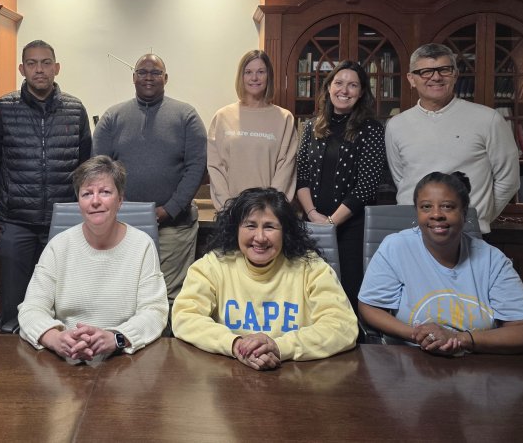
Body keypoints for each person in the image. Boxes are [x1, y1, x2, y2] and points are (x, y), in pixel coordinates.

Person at [172, 187, 358, 370]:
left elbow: (343, 326)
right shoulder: (212, 265)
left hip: (296, 377)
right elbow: (184, 316)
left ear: (285, 232)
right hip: (228, 377)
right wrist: (235, 344)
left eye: (269, 227)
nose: (260, 237)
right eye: (250, 225)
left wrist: (279, 347)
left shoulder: (311, 268)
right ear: (236, 229)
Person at [358, 171, 523, 355]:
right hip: (413, 361)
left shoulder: (492, 260)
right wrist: (420, 335)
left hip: (479, 366)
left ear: (464, 213)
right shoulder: (396, 247)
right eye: (426, 207)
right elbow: (370, 306)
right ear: (417, 212)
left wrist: (461, 339)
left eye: (447, 207)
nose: (436, 214)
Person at [0, 39, 92, 324]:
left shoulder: (75, 110)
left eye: (45, 63)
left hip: (63, 222)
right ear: (22, 69)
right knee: (13, 305)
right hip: (16, 222)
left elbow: (86, 168)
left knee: (62, 301)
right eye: (31, 63)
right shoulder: (4, 108)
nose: (39, 69)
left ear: (56, 68)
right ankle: (10, 360)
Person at [18, 155, 168, 362]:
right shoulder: (58, 246)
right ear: (79, 202)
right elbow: (31, 308)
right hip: (65, 360)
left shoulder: (142, 245)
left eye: (105, 192)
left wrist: (116, 337)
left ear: (120, 200)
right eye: (87, 193)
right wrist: (56, 338)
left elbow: (155, 312)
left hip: (123, 360)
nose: (95, 201)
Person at [93, 53, 206, 304]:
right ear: (133, 77)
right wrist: (120, 211)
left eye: (155, 72)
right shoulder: (112, 117)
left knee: (167, 298)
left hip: (174, 228)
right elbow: (100, 170)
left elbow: (196, 167)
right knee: (126, 295)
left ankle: (166, 343)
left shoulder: (186, 116)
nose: (149, 77)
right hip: (122, 226)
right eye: (142, 72)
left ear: (165, 78)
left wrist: (170, 209)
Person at [385, 43, 519, 234]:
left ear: (455, 74)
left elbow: (509, 180)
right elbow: (401, 178)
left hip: (467, 232)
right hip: (411, 232)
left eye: (444, 70)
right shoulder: (396, 125)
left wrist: (478, 217)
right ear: (411, 79)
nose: (436, 77)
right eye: (425, 71)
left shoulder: (488, 119)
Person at [296, 60, 385, 308]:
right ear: (329, 87)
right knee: (310, 291)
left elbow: (367, 185)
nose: (344, 90)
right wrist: (314, 215)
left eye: (353, 85)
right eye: (339, 83)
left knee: (346, 292)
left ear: (362, 92)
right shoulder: (312, 126)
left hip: (352, 228)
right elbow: (301, 176)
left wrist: (332, 222)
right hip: (311, 225)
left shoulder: (372, 129)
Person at [207, 50, 298, 211]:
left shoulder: (284, 119)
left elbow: (285, 168)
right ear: (241, 77)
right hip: (231, 212)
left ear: (268, 76)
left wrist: (269, 208)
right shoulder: (222, 117)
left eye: (260, 72)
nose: (254, 78)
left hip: (269, 213)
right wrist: (229, 208)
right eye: (248, 72)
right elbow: (215, 167)